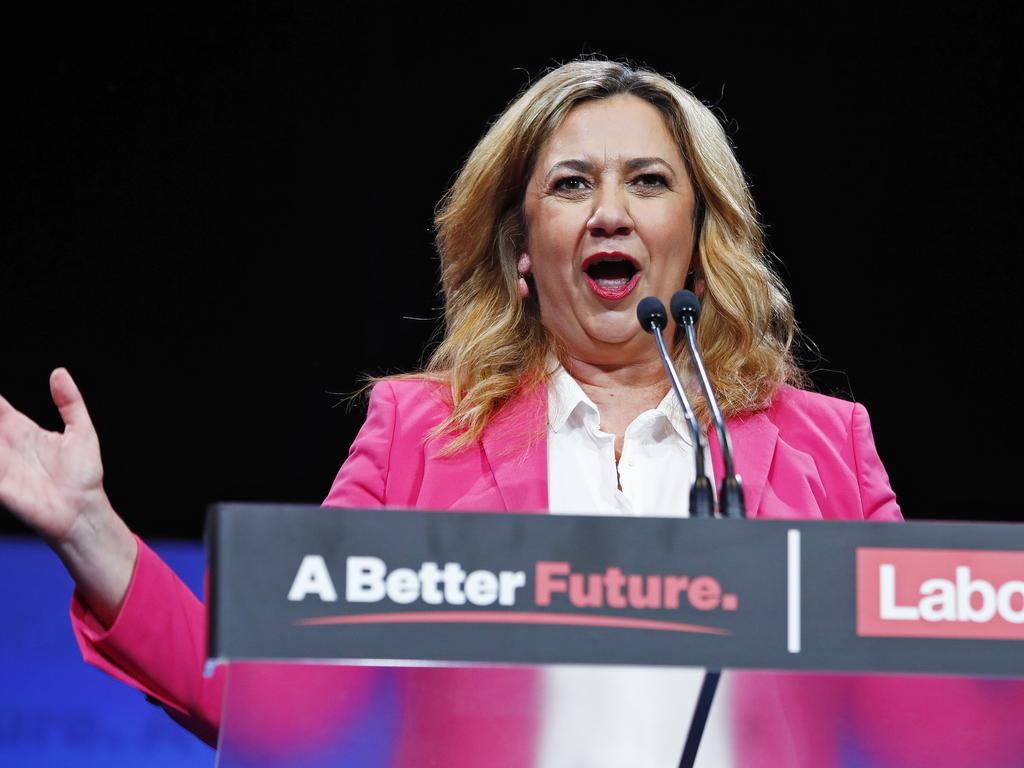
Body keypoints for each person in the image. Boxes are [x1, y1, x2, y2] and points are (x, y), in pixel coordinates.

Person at [0, 58, 900, 763]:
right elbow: (281, 697)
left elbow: (921, 704)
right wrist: (90, 529)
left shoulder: (823, 445)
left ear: (700, 249)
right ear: (520, 253)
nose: (610, 213)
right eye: (572, 184)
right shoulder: (418, 437)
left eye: (651, 182)